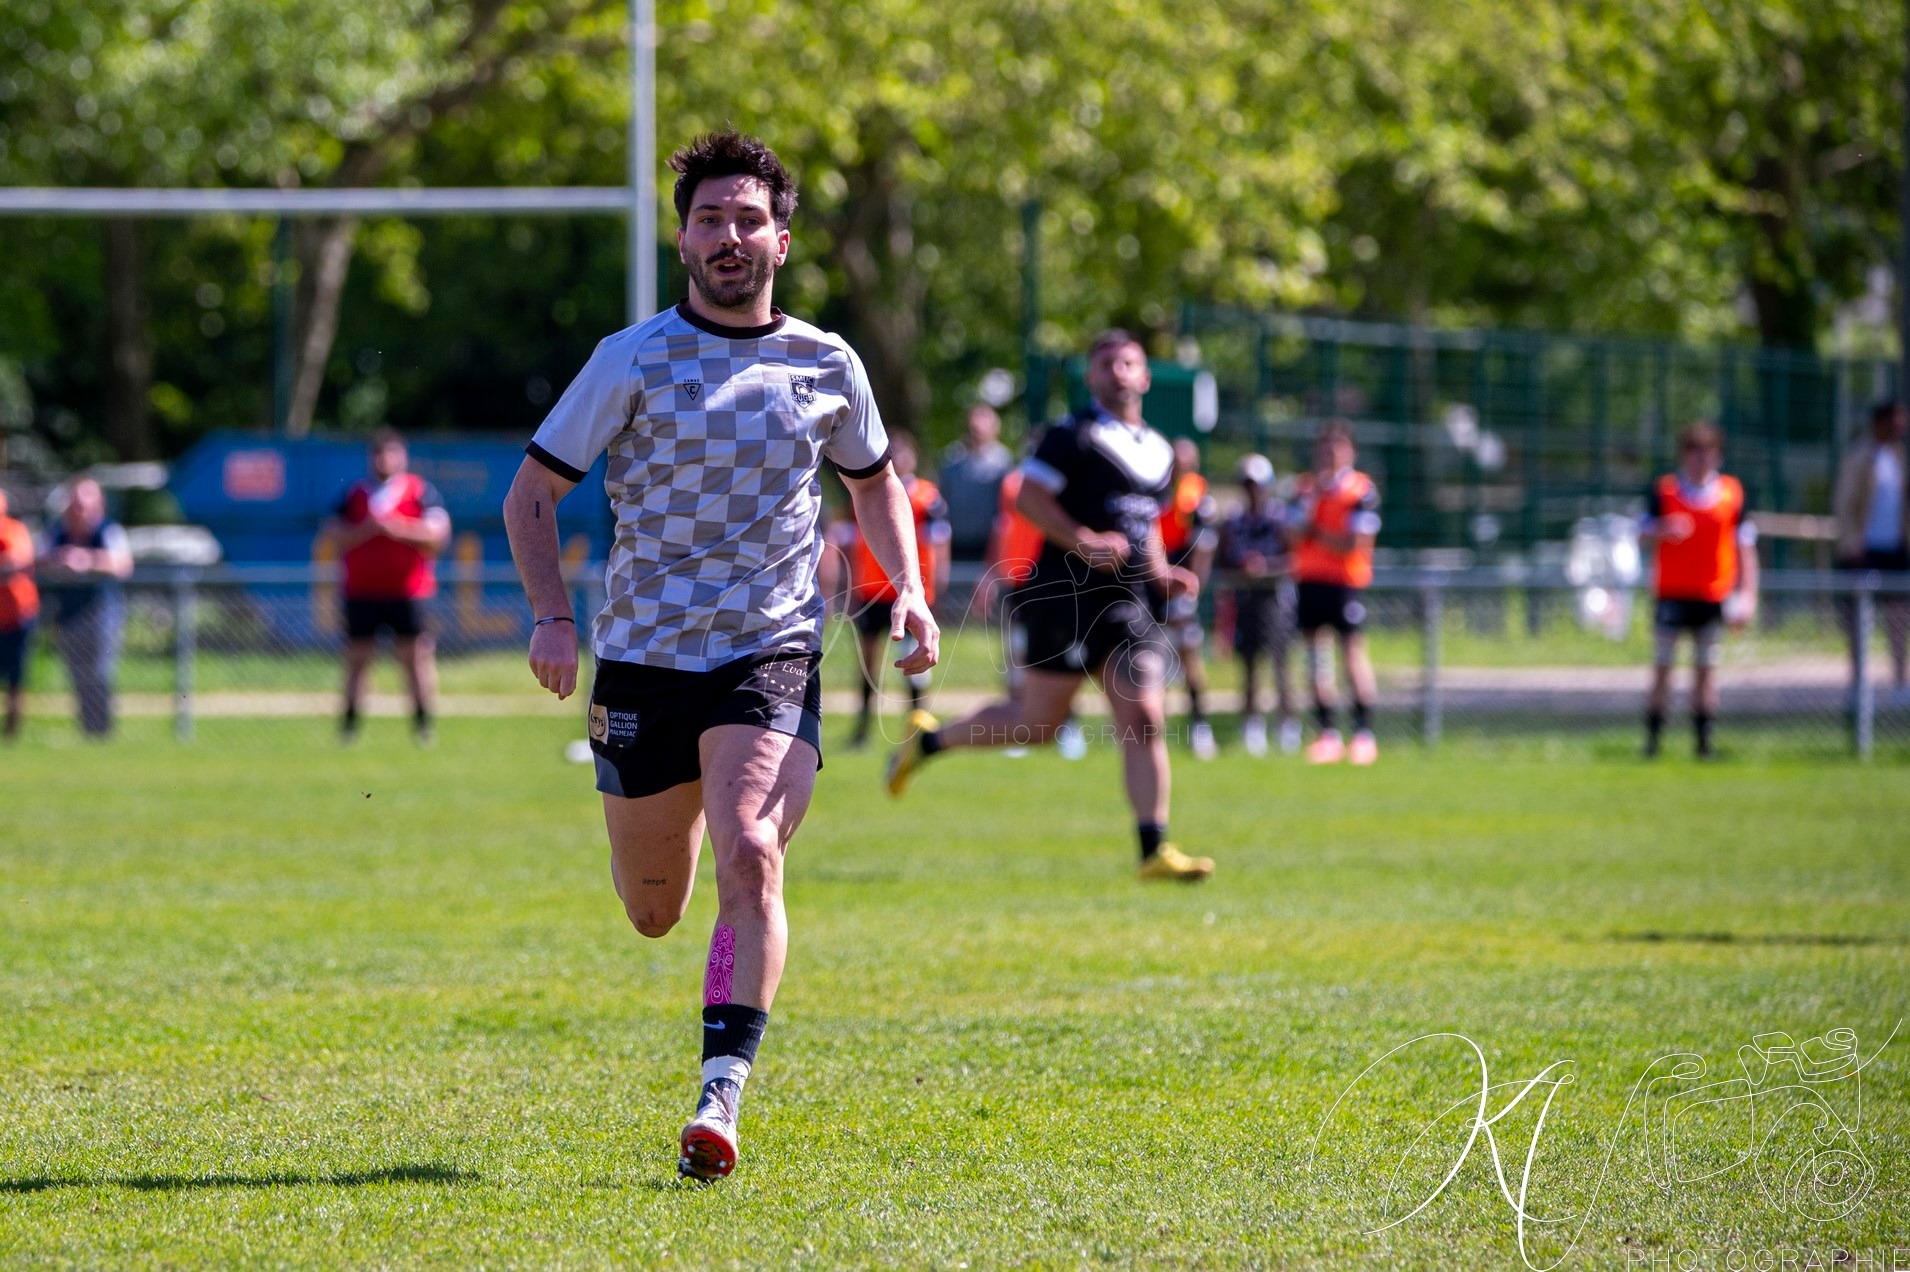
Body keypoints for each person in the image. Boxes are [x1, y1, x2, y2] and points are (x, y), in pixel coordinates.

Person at [501, 131, 937, 1182]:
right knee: (654, 910)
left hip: (769, 647)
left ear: (779, 240)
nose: (728, 236)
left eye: (747, 219)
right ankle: (675, 832)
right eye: (709, 219)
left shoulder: (826, 363)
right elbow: (531, 494)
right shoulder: (630, 358)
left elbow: (872, 480)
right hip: (644, 658)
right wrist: (553, 617)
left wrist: (910, 588)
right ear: (683, 237)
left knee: (753, 851)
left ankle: (719, 1097)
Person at [886, 329, 1214, 882]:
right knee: (1038, 725)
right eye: (1106, 364)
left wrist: (1162, 572)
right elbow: (1028, 499)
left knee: (1146, 718)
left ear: (1146, 375)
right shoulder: (1071, 436)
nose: (1119, 372)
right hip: (1065, 596)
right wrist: (1082, 538)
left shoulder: (1159, 449)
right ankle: (931, 741)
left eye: (1129, 362)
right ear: (1090, 377)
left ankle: (1153, 848)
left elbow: (1147, 522)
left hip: (1128, 601)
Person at [1640, 421, 1759, 759]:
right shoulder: (1664, 491)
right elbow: (1640, 533)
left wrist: (1748, 595)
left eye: (1707, 452)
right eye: (1694, 452)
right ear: (1684, 455)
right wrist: (1664, 529)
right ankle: (1652, 743)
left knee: (1706, 671)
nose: (1701, 459)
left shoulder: (1731, 494)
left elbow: (1745, 549)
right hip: (1672, 593)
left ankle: (1703, 746)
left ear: (1717, 455)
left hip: (1712, 595)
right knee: (1663, 667)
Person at [325, 429, 452, 742]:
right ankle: (350, 727)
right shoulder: (355, 494)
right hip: (362, 591)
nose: (385, 460)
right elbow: (333, 534)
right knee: (357, 658)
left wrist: (397, 528)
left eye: (391, 453)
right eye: (379, 454)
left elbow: (438, 535)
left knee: (415, 658)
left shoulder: (419, 491)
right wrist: (368, 529)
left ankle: (423, 726)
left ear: (403, 457)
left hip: (407, 591)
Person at [847, 430, 949, 746]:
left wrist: (937, 582)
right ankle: (863, 728)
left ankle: (917, 728)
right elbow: (852, 540)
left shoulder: (927, 498)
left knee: (915, 661)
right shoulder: (865, 491)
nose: (901, 457)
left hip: (909, 594)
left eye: (906, 451)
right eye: (896, 451)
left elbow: (939, 542)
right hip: (873, 589)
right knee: (868, 663)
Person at [1290, 420, 1382, 765]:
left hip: (1345, 582)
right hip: (1309, 579)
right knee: (1316, 659)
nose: (1330, 452)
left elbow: (1355, 544)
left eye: (1338, 445)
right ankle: (1326, 734)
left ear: (1351, 451)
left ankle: (1363, 734)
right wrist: (1313, 524)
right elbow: (1292, 535)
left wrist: (1316, 533)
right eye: (1325, 445)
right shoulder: (1306, 489)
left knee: (1352, 656)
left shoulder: (1361, 491)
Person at [1216, 454, 1300, 757]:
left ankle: (1288, 727)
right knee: (1250, 667)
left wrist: (1265, 568)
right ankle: (1252, 727)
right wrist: (1244, 570)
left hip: (1275, 600)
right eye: (1247, 485)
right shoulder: (1233, 521)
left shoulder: (1280, 519)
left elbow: (1293, 560)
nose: (1252, 491)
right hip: (1246, 601)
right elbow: (1224, 560)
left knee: (1281, 666)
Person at [42, 477, 132, 738]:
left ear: (98, 504)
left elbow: (123, 564)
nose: (80, 509)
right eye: (76, 503)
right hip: (69, 613)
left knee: (100, 671)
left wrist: (88, 560)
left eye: (85, 503)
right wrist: (60, 560)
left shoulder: (107, 530)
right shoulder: (58, 531)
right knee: (78, 673)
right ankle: (88, 729)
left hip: (102, 612)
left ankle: (102, 730)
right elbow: (38, 560)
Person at [1832, 398, 1910, 700]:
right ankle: (1858, 688)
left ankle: (1900, 684)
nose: (1901, 427)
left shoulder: (1898, 455)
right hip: (1864, 552)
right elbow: (1844, 503)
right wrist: (1853, 544)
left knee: (1900, 618)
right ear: (1881, 422)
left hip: (1895, 551)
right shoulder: (1860, 456)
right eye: (1896, 420)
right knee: (1858, 622)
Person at [1159, 437, 1219, 759]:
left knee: (1189, 659)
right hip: (1153, 588)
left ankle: (1199, 726)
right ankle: (1155, 730)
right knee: (1155, 665)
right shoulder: (1155, 494)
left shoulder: (1198, 501)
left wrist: (1190, 590)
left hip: (1180, 590)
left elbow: (1203, 550)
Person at [938, 403, 1015, 560]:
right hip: (955, 545)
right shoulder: (950, 459)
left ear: (995, 428)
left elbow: (1007, 507)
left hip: (990, 547)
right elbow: (941, 499)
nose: (978, 427)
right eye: (974, 422)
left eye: (984, 421)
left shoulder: (1003, 461)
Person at [0, 489, 39, 741]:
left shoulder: (12, 529)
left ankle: (12, 732)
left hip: (16, 616)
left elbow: (17, 559)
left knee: (16, 679)